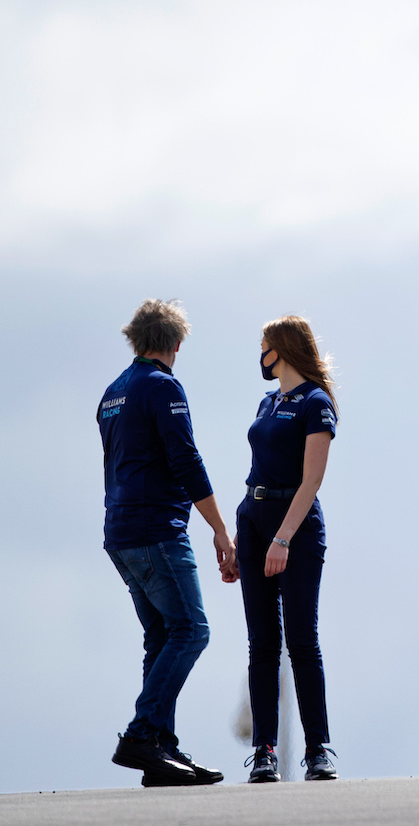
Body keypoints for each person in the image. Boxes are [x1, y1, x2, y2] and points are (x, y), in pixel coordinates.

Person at [99, 299, 235, 787]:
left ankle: (161, 751)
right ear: (176, 344)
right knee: (192, 631)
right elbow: (185, 459)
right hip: (157, 532)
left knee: (161, 637)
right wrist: (220, 529)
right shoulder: (162, 386)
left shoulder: (113, 391)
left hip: (121, 533)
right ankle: (141, 735)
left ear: (135, 340)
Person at [233, 315, 341, 781]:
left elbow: (312, 479)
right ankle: (264, 751)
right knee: (261, 645)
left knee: (301, 640)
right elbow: (259, 468)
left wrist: (283, 538)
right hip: (253, 518)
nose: (260, 355)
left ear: (281, 349)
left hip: (293, 524)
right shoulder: (266, 402)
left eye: (263, 346)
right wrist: (242, 536)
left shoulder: (315, 403)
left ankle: (318, 749)